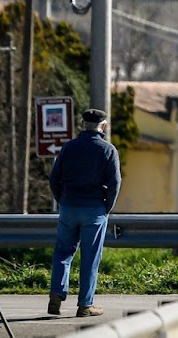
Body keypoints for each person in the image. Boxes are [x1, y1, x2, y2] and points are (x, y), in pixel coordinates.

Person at [48, 108, 122, 318]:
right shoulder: (108, 150)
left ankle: (56, 295)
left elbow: (54, 179)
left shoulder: (68, 148)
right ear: (103, 126)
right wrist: (106, 207)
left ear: (83, 124)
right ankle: (85, 305)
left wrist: (62, 200)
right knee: (90, 257)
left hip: (69, 207)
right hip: (94, 209)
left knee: (63, 252)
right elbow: (115, 183)